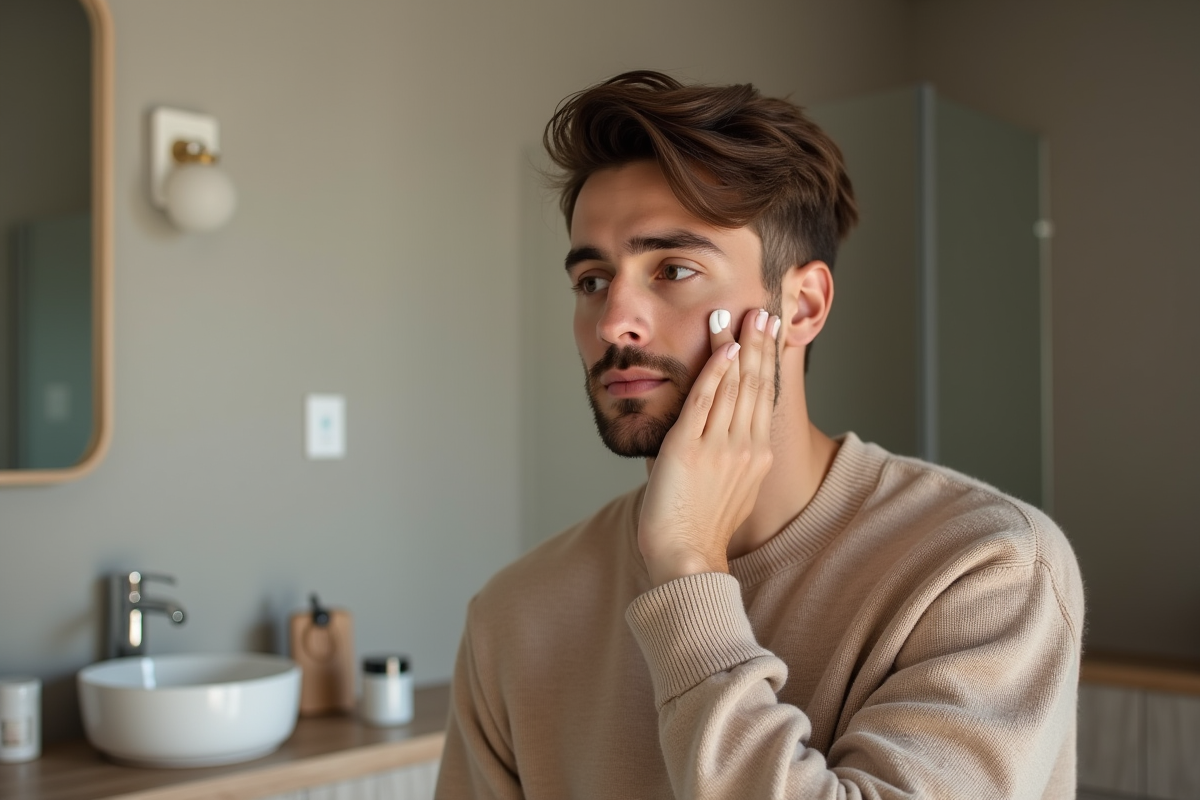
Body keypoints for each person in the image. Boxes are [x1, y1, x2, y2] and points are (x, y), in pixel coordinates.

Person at [434, 70, 1083, 800]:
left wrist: (687, 569)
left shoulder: (985, 569)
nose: (614, 322)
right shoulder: (514, 613)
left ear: (801, 306)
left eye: (673, 269)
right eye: (592, 280)